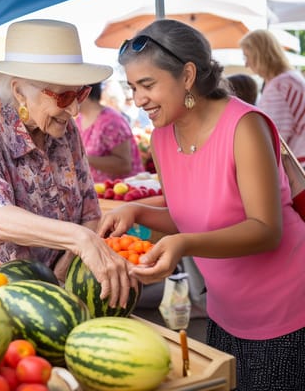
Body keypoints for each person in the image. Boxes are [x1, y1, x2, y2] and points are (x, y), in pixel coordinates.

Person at [97, 19, 305, 390]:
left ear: (188, 75)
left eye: (148, 85)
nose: (138, 99)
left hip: (284, 309)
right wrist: (135, 212)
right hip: (224, 310)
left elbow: (266, 230)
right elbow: (189, 213)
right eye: (132, 87)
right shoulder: (162, 135)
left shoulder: (244, 126)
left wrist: (184, 244)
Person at [0, 19, 136, 308]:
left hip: (53, 298)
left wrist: (65, 265)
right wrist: (78, 240)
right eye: (65, 96)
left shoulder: (65, 130)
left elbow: (90, 211)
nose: (76, 109)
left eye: (79, 93)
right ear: (19, 91)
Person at [239, 29, 305, 166]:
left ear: (259, 55)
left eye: (247, 57)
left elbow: (275, 137)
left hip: (298, 165)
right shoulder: (291, 78)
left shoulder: (278, 86)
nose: (246, 64)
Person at [75, 82, 144, 182]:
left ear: (83, 93)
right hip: (100, 193)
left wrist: (83, 158)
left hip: (122, 192)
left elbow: (125, 165)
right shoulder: (79, 120)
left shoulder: (111, 121)